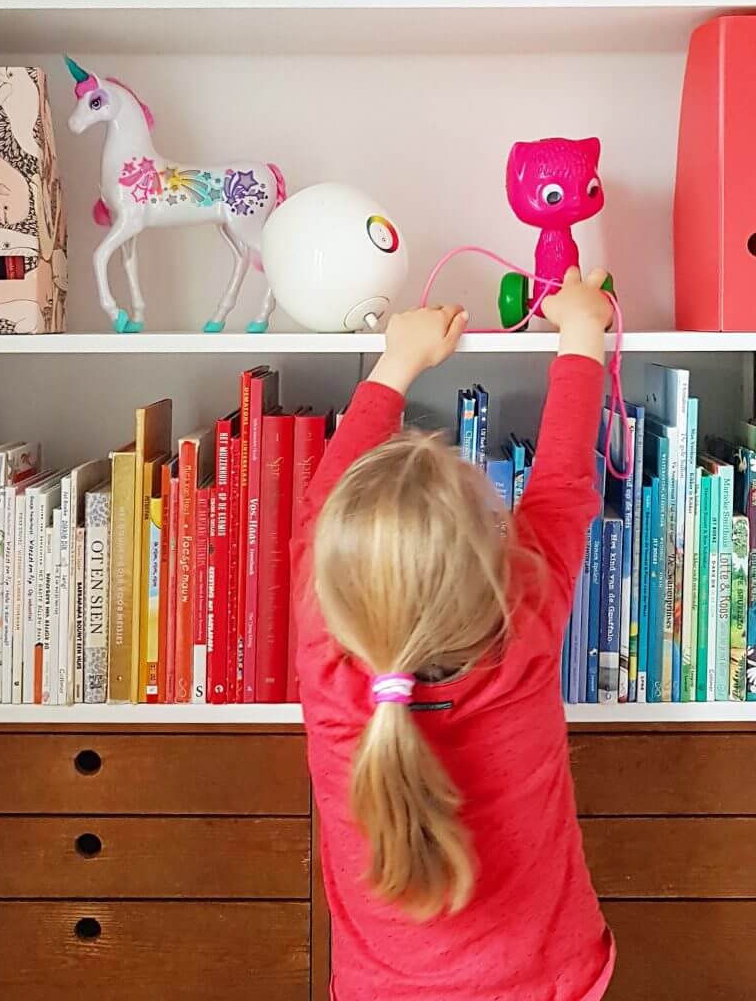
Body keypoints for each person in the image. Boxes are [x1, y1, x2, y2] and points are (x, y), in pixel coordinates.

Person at [292, 266, 616, 1000]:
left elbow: (316, 515)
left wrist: (396, 359)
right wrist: (583, 326)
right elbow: (562, 488)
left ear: (336, 587)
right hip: (552, 982)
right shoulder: (524, 628)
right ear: (492, 564)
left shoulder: (327, 664)